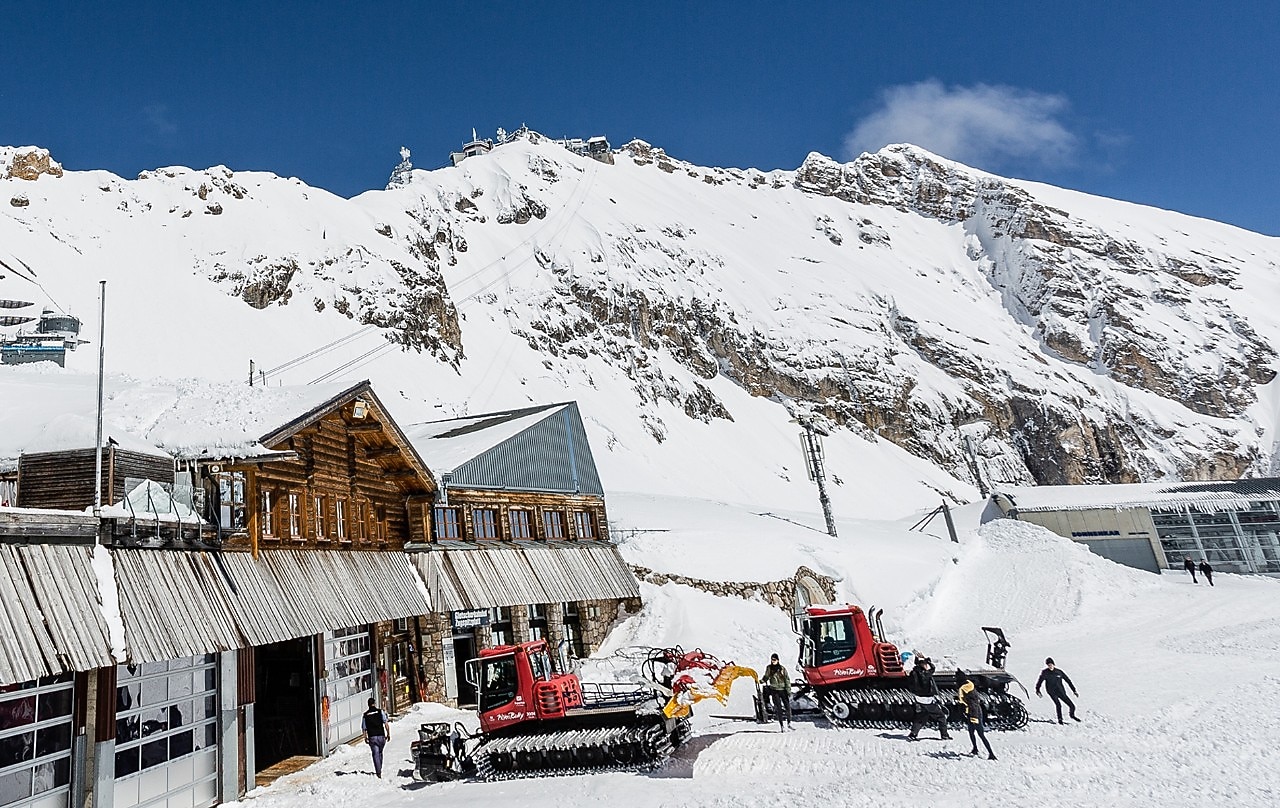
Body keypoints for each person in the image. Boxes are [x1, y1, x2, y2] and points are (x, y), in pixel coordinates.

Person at [905, 656, 950, 741]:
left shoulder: (913, 673)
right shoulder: (925, 673)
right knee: (941, 716)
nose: (926, 666)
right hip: (927, 699)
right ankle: (944, 735)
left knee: (922, 716)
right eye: (925, 664)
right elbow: (933, 668)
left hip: (919, 698)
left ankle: (913, 734)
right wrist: (929, 661)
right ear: (922, 664)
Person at [955, 670, 995, 760]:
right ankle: (975, 748)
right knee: (971, 731)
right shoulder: (968, 684)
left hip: (974, 712)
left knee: (981, 734)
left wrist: (973, 717)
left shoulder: (964, 689)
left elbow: (971, 704)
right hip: (971, 711)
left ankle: (991, 753)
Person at [1035, 657, 1080, 723]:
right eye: (1048, 665)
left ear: (1054, 664)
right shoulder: (1045, 672)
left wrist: (1074, 690)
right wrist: (1037, 690)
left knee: (1072, 706)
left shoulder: (1059, 672)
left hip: (1061, 691)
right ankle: (1060, 720)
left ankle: (1072, 715)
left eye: (1051, 664)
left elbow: (1068, 681)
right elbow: (1039, 681)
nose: (1050, 666)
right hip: (1052, 692)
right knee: (1058, 705)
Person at [762, 653, 792, 731]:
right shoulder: (769, 668)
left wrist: (788, 690)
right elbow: (766, 676)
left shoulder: (782, 669)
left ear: (778, 660)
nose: (773, 661)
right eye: (772, 660)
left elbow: (787, 679)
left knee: (787, 707)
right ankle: (781, 725)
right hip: (774, 690)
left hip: (783, 690)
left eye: (774, 660)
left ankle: (789, 723)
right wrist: (762, 680)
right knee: (778, 708)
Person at [361, 697, 391, 778]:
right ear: (374, 703)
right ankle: (379, 768)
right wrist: (388, 734)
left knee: (375, 754)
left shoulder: (365, 715)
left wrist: (365, 737)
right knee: (380, 752)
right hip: (381, 736)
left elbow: (364, 728)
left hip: (372, 737)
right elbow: (386, 723)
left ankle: (378, 771)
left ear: (368, 704)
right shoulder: (380, 711)